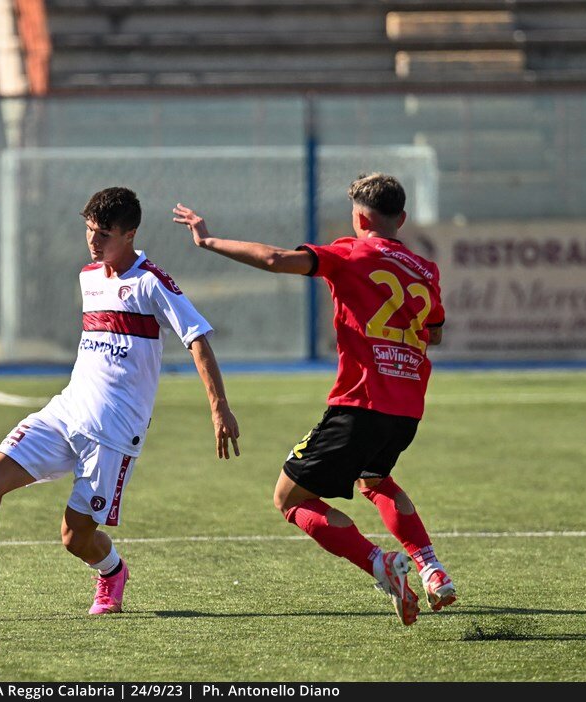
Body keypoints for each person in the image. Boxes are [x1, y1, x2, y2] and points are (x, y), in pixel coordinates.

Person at [0, 186, 240, 618]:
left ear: (130, 234)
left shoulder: (150, 283)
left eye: (104, 233)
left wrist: (219, 407)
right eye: (89, 230)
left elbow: (197, 340)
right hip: (66, 411)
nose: (93, 240)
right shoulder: (89, 276)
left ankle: (111, 570)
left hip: (113, 431)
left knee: (75, 537)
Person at [173, 173, 455, 626]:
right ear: (401, 218)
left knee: (289, 498)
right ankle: (431, 567)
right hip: (407, 409)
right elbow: (435, 333)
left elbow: (273, 258)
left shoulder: (350, 251)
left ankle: (380, 565)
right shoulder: (426, 270)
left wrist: (208, 242)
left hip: (360, 404)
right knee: (374, 479)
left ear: (360, 217)